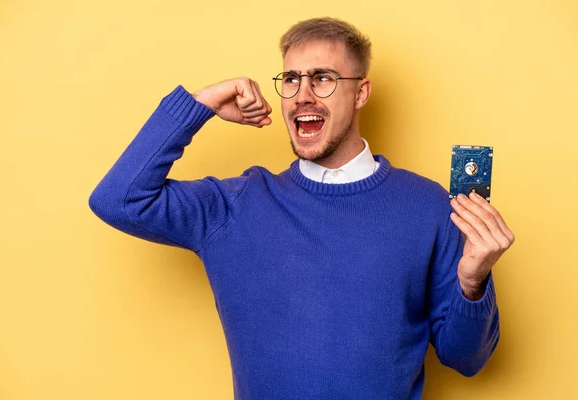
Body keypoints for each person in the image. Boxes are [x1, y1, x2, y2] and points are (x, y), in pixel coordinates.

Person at [89, 17, 514, 399]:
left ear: (361, 92)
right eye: (291, 79)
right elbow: (118, 199)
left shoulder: (428, 207)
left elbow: (466, 360)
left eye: (322, 78)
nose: (302, 95)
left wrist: (472, 283)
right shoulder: (235, 206)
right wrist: (199, 106)